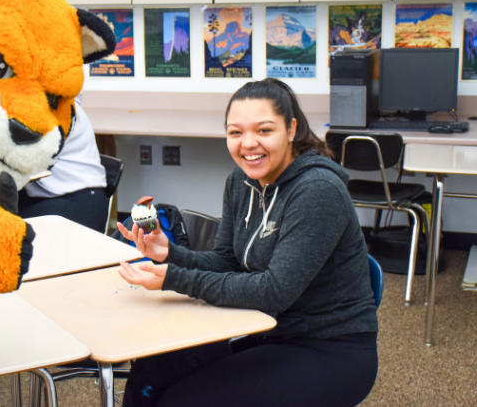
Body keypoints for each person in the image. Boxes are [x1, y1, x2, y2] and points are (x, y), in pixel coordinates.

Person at [117, 78, 378, 407]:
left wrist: (174, 278)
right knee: (155, 375)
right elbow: (228, 261)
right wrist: (170, 253)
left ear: (291, 129)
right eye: (235, 132)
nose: (248, 144)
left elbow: (275, 291)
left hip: (330, 348)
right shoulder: (240, 181)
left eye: (264, 130)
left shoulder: (318, 190)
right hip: (267, 331)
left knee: (181, 401)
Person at [18, 95, 108, 232]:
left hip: (78, 200)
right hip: (48, 194)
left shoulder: (55, 109)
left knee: (2, 228)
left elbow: (23, 158)